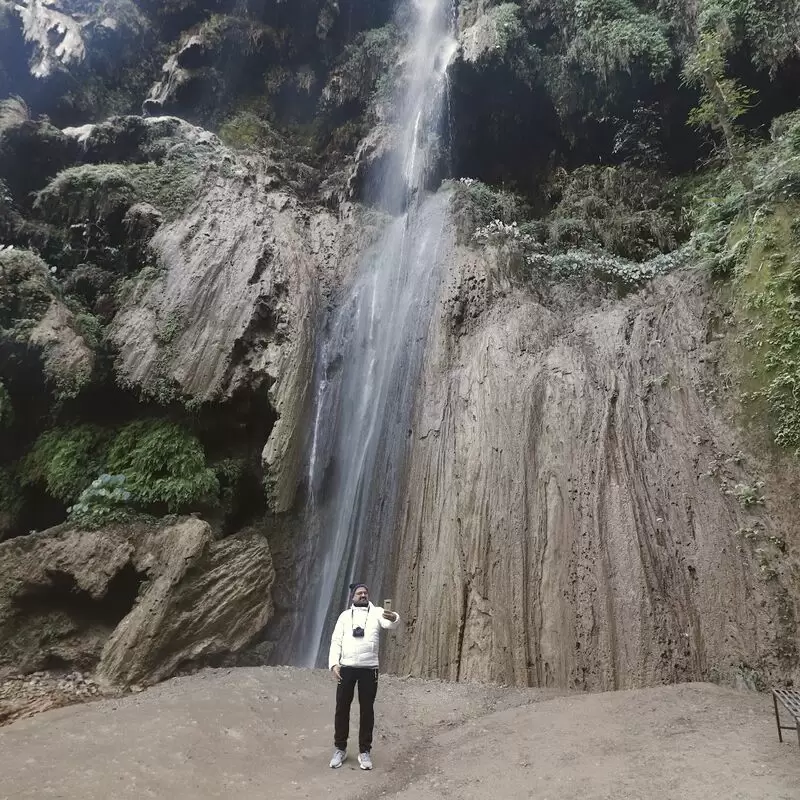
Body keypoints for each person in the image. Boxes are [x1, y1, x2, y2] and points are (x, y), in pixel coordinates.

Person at [328, 582, 400, 770]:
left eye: (365, 592)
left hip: (369, 668)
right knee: (342, 708)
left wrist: (394, 616)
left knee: (367, 710)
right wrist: (334, 663)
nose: (363, 595)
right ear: (352, 596)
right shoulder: (344, 616)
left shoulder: (376, 612)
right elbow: (336, 640)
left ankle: (364, 751)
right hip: (347, 668)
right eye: (359, 593)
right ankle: (340, 749)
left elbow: (389, 623)